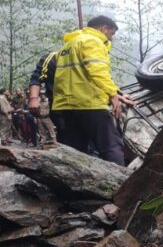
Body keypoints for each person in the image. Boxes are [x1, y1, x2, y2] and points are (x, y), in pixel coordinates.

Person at [52, 15, 134, 166]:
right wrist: (113, 95)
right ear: (103, 28)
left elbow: (80, 75)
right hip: (90, 103)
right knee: (111, 147)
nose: (111, 39)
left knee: (75, 152)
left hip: (66, 105)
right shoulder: (93, 41)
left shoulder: (68, 45)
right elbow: (97, 71)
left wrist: (118, 93)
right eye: (111, 34)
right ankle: (121, 184)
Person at [29, 51, 63, 141]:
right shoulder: (52, 57)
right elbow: (36, 78)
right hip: (59, 106)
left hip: (88, 105)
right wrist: (33, 98)